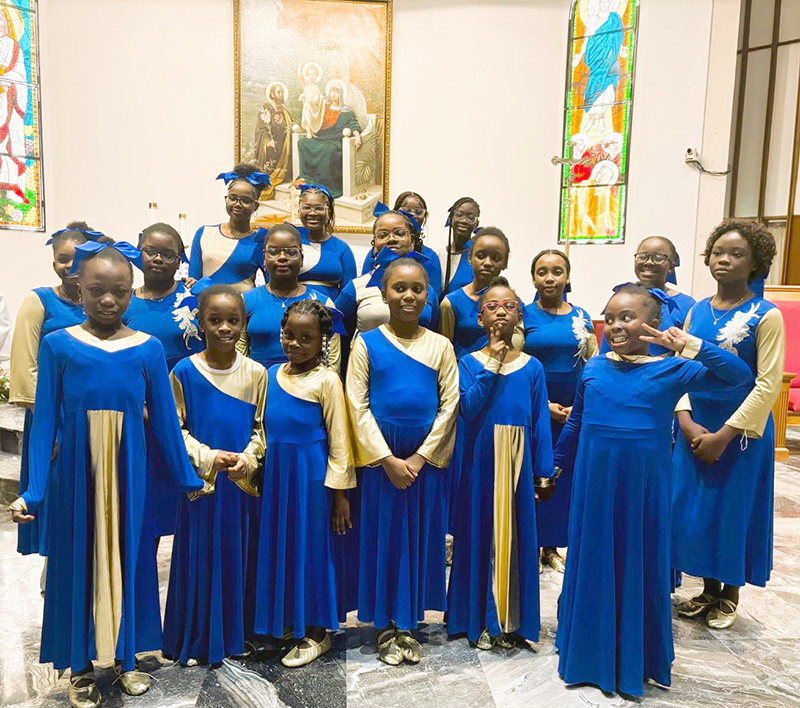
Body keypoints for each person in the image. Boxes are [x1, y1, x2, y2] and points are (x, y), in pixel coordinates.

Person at [8, 241, 203, 708]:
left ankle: (125, 658)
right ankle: (79, 668)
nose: (108, 300)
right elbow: (45, 422)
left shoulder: (148, 348)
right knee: (78, 562)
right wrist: (34, 491)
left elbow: (165, 422)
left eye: (119, 291)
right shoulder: (58, 344)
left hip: (130, 470)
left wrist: (188, 478)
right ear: (80, 290)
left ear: (132, 292)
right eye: (97, 290)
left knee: (130, 559)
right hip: (76, 475)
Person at [553, 284, 752, 697]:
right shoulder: (593, 368)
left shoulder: (672, 369)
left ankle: (635, 656)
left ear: (655, 324)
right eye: (610, 318)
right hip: (594, 485)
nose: (616, 325)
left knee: (636, 558)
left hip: (643, 489)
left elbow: (739, 377)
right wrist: (553, 464)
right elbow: (576, 422)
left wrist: (689, 345)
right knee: (594, 557)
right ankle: (587, 653)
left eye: (627, 317)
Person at [672, 220, 784, 629]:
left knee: (732, 510)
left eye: (736, 254)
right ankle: (707, 588)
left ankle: (730, 593)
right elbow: (679, 369)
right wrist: (686, 421)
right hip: (696, 427)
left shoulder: (767, 316)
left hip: (740, 433)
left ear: (755, 263)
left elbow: (768, 383)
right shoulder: (697, 311)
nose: (724, 259)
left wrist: (724, 435)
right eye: (718, 252)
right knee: (697, 510)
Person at [346, 258, 459, 665]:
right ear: (384, 294)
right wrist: (387, 459)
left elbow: (450, 403)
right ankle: (383, 623)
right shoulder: (366, 343)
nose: (408, 296)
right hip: (383, 462)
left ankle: (408, 621)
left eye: (417, 289)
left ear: (428, 295)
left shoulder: (441, 345)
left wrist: (420, 457)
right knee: (384, 538)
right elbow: (356, 404)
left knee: (418, 538)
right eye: (399, 288)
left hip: (422, 463)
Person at [447, 277, 555, 650]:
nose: (500, 313)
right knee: (481, 534)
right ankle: (479, 619)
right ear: (480, 318)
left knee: (514, 538)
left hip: (518, 461)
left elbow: (540, 420)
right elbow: (468, 407)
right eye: (492, 307)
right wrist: (491, 363)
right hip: (481, 461)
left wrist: (543, 471)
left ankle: (511, 621)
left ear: (519, 315)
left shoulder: (532, 367)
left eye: (509, 306)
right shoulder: (468, 362)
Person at [163, 285, 267, 667]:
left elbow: (261, 429)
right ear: (201, 323)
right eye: (215, 320)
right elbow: (175, 428)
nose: (225, 328)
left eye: (233, 320)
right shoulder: (184, 371)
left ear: (243, 324)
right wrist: (208, 457)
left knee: (238, 556)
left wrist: (247, 459)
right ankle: (197, 637)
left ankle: (238, 634)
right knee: (200, 557)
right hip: (202, 485)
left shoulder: (256, 373)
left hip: (239, 485)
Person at [254, 299, 355, 667]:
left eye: (305, 338)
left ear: (322, 341)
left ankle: (317, 629)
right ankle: (288, 620)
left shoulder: (327, 380)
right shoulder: (269, 375)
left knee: (311, 549)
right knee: (282, 545)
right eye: (289, 335)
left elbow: (340, 439)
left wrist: (340, 495)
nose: (294, 344)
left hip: (311, 478)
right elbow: (260, 427)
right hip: (277, 476)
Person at [9, 223, 100, 557]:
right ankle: (57, 567)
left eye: (79, 258)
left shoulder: (101, 301)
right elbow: (25, 367)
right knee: (58, 492)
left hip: (92, 411)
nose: (71, 266)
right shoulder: (40, 300)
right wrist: (49, 427)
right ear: (53, 263)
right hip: (51, 413)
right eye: (63, 259)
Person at [523, 249, 598, 573]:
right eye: (542, 272)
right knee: (532, 476)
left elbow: (594, 362)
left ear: (567, 277)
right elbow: (515, 364)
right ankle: (530, 544)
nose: (550, 278)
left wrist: (578, 408)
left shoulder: (581, 315)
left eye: (557, 271)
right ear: (533, 278)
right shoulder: (523, 314)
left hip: (573, 412)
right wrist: (544, 408)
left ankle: (552, 548)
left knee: (562, 478)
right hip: (534, 408)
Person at [241, 223, 340, 372]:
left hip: (309, 384)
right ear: (264, 259)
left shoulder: (324, 303)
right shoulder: (245, 302)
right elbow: (238, 357)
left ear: (301, 259)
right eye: (274, 252)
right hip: (257, 383)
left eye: (291, 252)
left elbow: (331, 362)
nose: (282, 257)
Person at [335, 209, 439, 336]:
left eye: (399, 233)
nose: (391, 239)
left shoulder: (426, 289)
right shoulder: (356, 288)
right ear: (374, 244)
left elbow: (435, 334)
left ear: (412, 240)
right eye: (383, 235)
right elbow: (338, 332)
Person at [599, 235, 693, 357]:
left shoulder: (685, 305)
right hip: (619, 367)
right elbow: (606, 351)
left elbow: (689, 352)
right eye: (642, 256)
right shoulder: (622, 298)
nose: (648, 262)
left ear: (671, 265)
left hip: (666, 368)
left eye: (658, 258)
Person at [188, 164, 270, 293]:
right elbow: (193, 281)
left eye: (245, 200)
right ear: (226, 199)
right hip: (206, 303)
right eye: (233, 198)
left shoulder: (261, 240)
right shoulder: (204, 233)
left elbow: (271, 286)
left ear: (256, 206)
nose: (237, 204)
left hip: (244, 304)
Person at [439, 227, 514, 360]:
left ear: (505, 262)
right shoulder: (451, 303)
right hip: (464, 371)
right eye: (480, 256)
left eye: (496, 258)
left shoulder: (512, 304)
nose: (487, 263)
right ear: (470, 258)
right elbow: (444, 352)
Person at [361, 192, 443, 295]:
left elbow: (432, 297)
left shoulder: (430, 257)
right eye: (406, 211)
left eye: (418, 211)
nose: (413, 215)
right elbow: (363, 289)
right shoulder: (375, 254)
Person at [297, 79, 362, 198]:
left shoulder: (346, 111)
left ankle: (324, 183)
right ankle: (307, 176)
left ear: (341, 94)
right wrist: (306, 101)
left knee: (327, 150)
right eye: (332, 91)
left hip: (337, 140)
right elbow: (313, 113)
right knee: (302, 142)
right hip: (322, 136)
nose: (333, 94)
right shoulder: (324, 107)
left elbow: (353, 124)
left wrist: (357, 135)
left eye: (336, 92)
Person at [294, 184, 357, 299]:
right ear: (299, 211)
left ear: (329, 212)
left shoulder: (342, 248)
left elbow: (349, 293)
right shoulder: (289, 244)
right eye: (306, 207)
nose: (312, 213)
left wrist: (331, 308)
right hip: (292, 308)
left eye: (319, 208)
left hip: (331, 308)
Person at [254, 82, 293, 199]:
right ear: (272, 94)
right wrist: (267, 140)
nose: (281, 94)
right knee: (270, 150)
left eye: (282, 92)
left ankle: (281, 175)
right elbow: (262, 128)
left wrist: (284, 124)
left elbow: (290, 128)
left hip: (283, 144)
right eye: (279, 92)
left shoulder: (285, 112)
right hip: (270, 142)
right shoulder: (266, 108)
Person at [439, 197, 481, 296]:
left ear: (476, 224)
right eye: (459, 215)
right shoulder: (438, 255)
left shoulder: (478, 257)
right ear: (450, 218)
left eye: (470, 217)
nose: (464, 220)